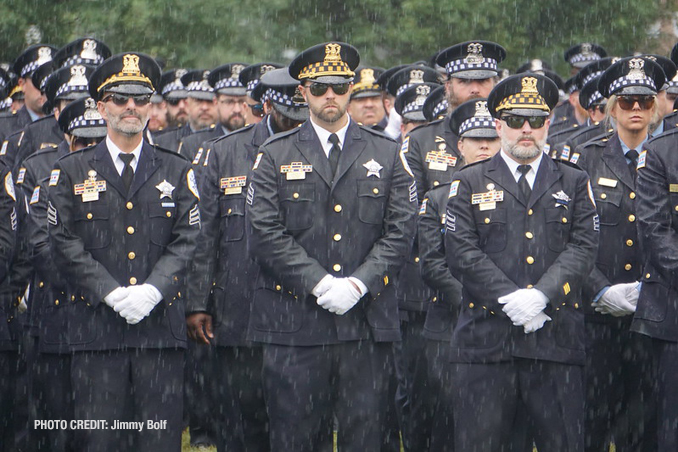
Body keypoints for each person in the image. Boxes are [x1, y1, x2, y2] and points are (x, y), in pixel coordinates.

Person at [246, 41, 417, 451]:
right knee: (296, 436)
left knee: (368, 435)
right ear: (302, 91)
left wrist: (359, 284)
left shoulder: (388, 153)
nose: (330, 96)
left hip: (366, 324)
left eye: (339, 87)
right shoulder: (273, 154)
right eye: (320, 87)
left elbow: (401, 230)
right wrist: (319, 283)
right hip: (295, 322)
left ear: (351, 90)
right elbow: (264, 231)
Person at [47, 52, 201, 451]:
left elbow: (188, 238)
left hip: (159, 333)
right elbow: (63, 240)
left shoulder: (177, 168)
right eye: (119, 98)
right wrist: (111, 292)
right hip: (96, 332)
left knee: (159, 442)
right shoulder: (72, 171)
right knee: (100, 443)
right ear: (101, 107)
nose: (130, 106)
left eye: (140, 97)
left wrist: (154, 289)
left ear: (151, 106)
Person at [445, 73, 599, 451]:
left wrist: (542, 296)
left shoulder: (574, 180)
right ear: (498, 125)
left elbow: (583, 246)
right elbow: (460, 251)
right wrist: (509, 300)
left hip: (555, 343)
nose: (526, 129)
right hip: (486, 346)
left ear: (549, 123)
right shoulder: (469, 181)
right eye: (515, 120)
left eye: (536, 120)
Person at [187, 67, 307, 452]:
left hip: (299, 307)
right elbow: (206, 234)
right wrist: (198, 301)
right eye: (289, 114)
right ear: (267, 106)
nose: (296, 123)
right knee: (240, 419)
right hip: (240, 305)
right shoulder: (226, 152)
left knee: (296, 421)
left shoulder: (318, 148)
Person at [577, 56, 663, 452]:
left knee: (644, 432)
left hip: (654, 321)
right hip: (596, 321)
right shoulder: (583, 159)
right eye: (626, 101)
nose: (635, 110)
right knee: (589, 426)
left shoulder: (668, 157)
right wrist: (599, 289)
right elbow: (568, 238)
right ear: (611, 106)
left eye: (644, 102)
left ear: (657, 106)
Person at [416, 97, 500, 451]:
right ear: (459, 146)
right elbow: (432, 263)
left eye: (491, 138)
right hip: (449, 322)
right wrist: (475, 298)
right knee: (447, 419)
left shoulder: (515, 195)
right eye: (475, 139)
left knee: (495, 422)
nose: (484, 146)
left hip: (500, 325)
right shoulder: (437, 199)